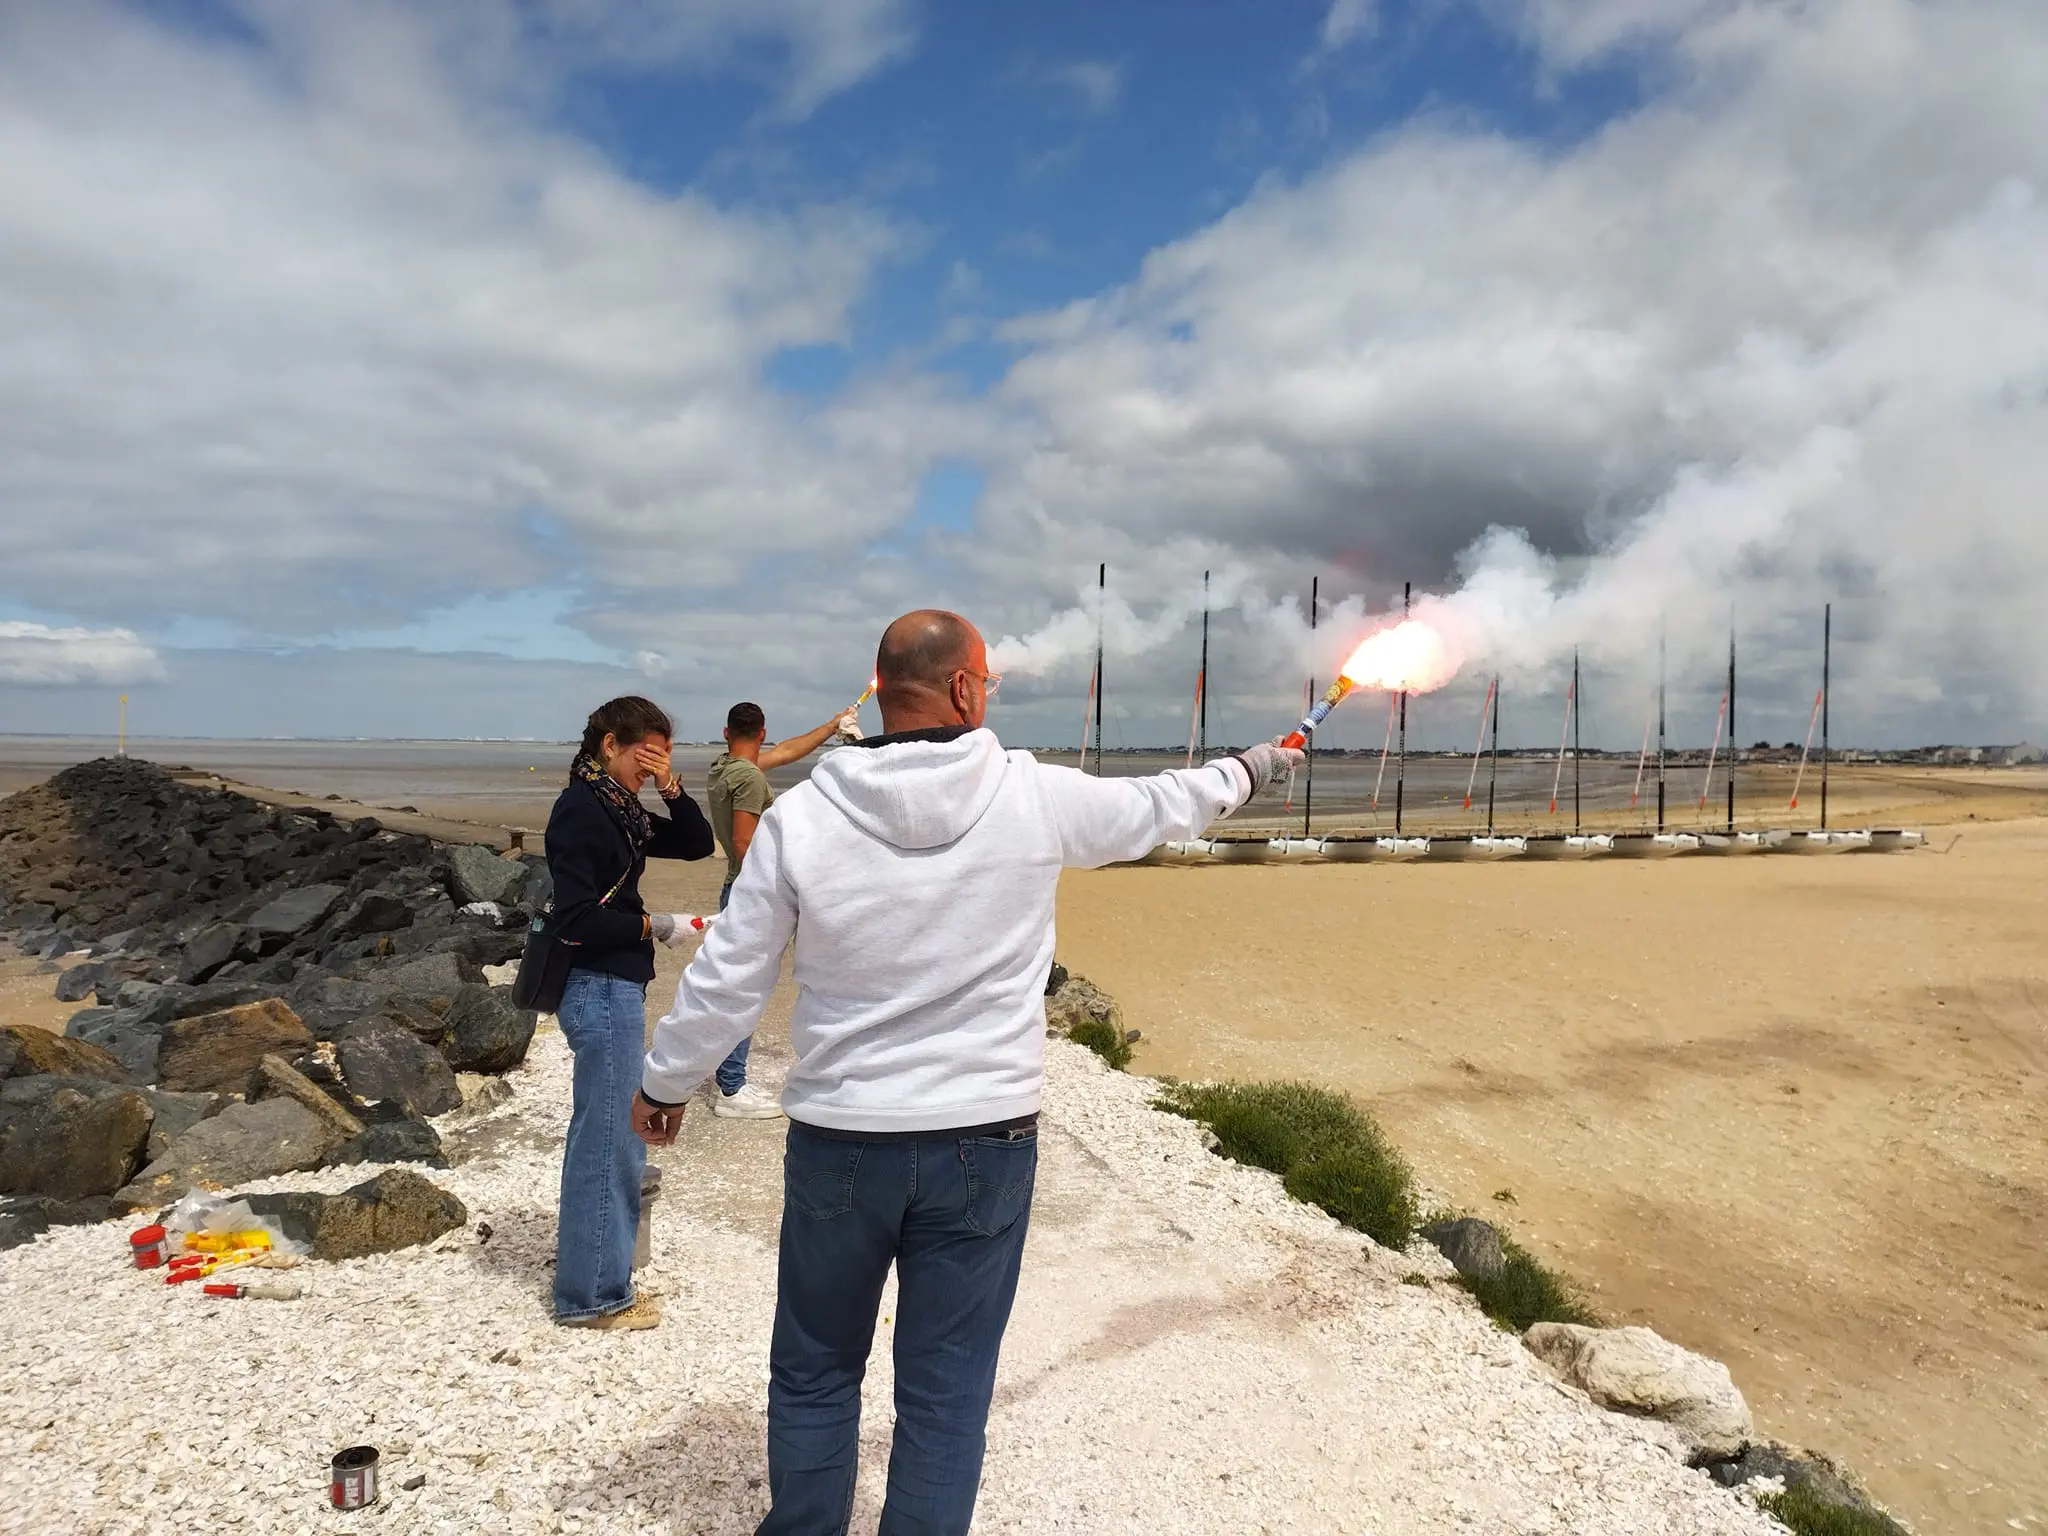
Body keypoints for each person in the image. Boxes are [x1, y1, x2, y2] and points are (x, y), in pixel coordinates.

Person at [631, 612, 1300, 1531]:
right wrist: (1250, 769)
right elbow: (1158, 806)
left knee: (817, 1369)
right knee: (946, 1395)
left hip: (842, 1143)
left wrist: (664, 1084)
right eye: (984, 678)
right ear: (961, 689)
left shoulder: (805, 819)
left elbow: (728, 975)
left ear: (884, 685)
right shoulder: (1030, 794)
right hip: (986, 1144)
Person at [545, 695, 714, 1331]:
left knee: (613, 1133)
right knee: (612, 1138)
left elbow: (698, 843)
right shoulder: (581, 811)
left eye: (662, 760)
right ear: (611, 743)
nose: (651, 771)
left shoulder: (616, 808)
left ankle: (595, 1274)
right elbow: (576, 916)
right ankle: (592, 1297)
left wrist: (671, 786)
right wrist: (655, 924)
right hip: (595, 985)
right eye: (646, 757)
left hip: (613, 984)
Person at [702, 699, 860, 1119]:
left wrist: (832, 725)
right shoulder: (749, 779)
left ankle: (729, 1080)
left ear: (726, 733)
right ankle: (732, 1090)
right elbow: (741, 841)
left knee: (738, 986)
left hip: (734, 888)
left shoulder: (726, 767)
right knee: (746, 991)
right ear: (761, 731)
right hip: (748, 892)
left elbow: (787, 751)